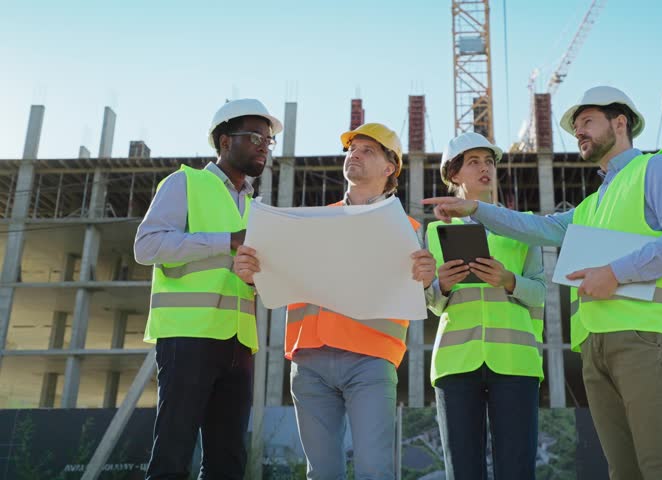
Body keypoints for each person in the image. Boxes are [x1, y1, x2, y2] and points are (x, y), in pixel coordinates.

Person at [424, 86, 662, 479]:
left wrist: (615, 273)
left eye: (587, 123)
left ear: (620, 122)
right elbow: (539, 228)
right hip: (597, 344)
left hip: (648, 336)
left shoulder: (657, 168)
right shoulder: (593, 203)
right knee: (624, 471)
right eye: (576, 128)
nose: (579, 133)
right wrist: (475, 207)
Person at [234, 122, 436, 479]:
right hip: (309, 359)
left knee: (374, 471)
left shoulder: (410, 230)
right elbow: (275, 276)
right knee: (322, 474)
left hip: (370, 360)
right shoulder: (311, 221)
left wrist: (425, 278)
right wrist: (252, 271)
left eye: (366, 150)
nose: (353, 155)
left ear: (390, 168)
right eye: (351, 149)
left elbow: (423, 295)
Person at [135, 98, 282, 479]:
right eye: (254, 137)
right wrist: (225, 240)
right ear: (223, 142)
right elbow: (147, 246)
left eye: (268, 140)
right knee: (173, 453)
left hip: (239, 342)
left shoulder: (256, 207)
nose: (264, 145)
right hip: (188, 336)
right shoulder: (185, 183)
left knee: (228, 461)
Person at [423, 132, 546, 479]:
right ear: (454, 174)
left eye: (489, 161)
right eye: (474, 161)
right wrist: (442, 284)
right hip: (455, 362)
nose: (485, 168)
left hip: (515, 362)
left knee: (517, 471)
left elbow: (540, 293)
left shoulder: (524, 225)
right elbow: (431, 303)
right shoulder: (435, 232)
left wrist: (508, 280)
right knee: (463, 471)